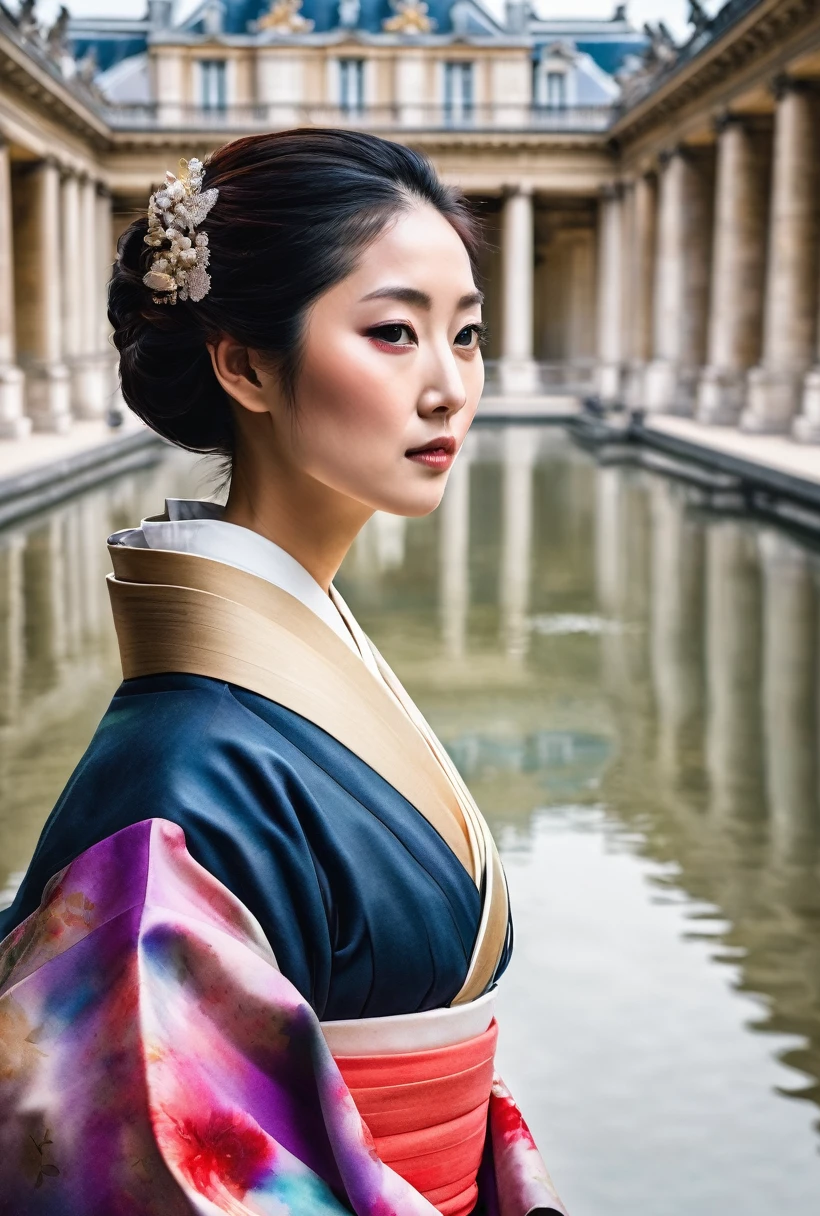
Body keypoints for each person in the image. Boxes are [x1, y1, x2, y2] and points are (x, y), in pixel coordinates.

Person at [0, 130, 565, 1216]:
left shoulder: (274, 700)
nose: (449, 388)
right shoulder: (183, 778)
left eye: (469, 335)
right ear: (246, 363)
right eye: (394, 333)